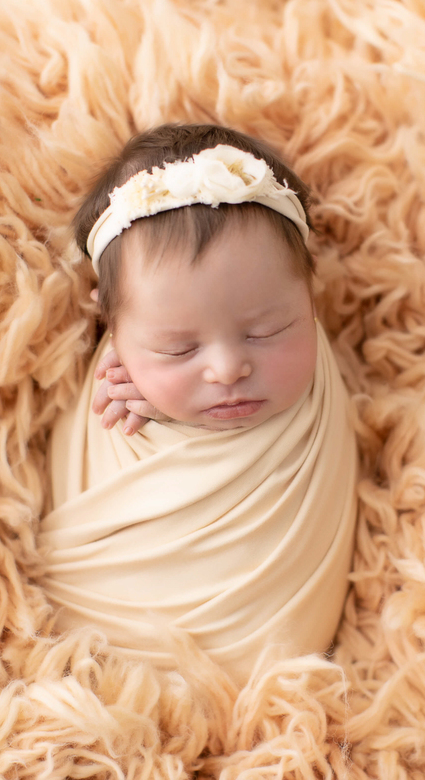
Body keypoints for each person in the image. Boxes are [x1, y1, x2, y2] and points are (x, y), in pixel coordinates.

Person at [38, 123, 358, 683]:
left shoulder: (311, 362)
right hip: (107, 651)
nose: (227, 368)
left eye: (267, 331)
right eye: (177, 347)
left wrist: (167, 374)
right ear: (111, 327)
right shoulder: (115, 383)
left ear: (309, 299)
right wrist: (152, 399)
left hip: (279, 672)